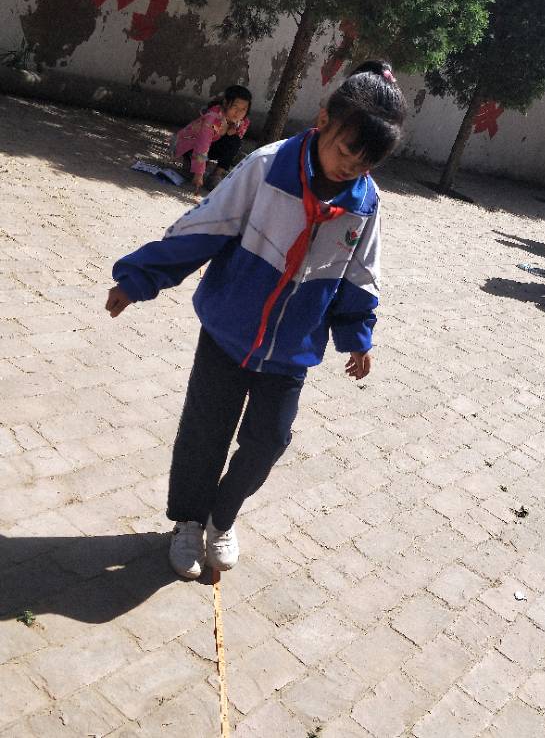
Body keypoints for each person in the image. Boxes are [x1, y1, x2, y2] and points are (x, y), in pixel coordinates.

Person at [106, 68, 407, 578]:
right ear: (323, 120)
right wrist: (139, 279)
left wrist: (358, 337)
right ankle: (188, 521)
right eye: (344, 152)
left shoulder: (365, 203)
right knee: (205, 432)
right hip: (228, 330)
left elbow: (360, 274)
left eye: (364, 163)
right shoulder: (266, 167)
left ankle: (221, 518)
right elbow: (205, 227)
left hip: (292, 347)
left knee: (270, 439)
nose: (350, 168)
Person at [171, 85, 252, 191]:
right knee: (191, 174)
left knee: (235, 141)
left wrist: (232, 130)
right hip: (190, 145)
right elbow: (202, 145)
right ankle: (189, 162)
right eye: (235, 107)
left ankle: (216, 174)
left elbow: (237, 136)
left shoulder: (243, 121)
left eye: (243, 109)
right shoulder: (212, 119)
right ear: (225, 103)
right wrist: (199, 173)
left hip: (212, 145)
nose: (238, 113)